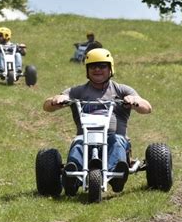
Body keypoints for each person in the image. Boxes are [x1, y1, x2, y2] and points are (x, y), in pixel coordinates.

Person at [43, 47, 152, 192]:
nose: (97, 70)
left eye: (102, 66)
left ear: (110, 68)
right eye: (93, 66)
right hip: (86, 139)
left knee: (117, 141)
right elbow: (46, 107)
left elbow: (147, 107)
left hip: (114, 139)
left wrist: (134, 101)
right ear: (87, 70)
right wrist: (56, 100)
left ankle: (116, 176)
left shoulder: (121, 90)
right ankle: (72, 177)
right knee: (78, 143)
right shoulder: (77, 91)